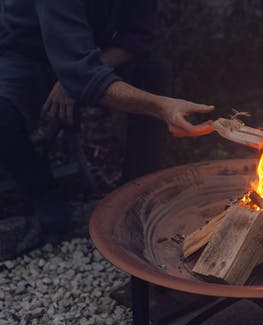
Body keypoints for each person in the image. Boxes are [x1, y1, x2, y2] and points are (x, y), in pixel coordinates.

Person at [0, 0, 215, 257]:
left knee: (153, 72)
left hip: (92, 49)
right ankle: (42, 190)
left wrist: (78, 75)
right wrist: (161, 107)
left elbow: (135, 39)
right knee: (3, 115)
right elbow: (80, 74)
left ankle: (137, 195)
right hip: (29, 54)